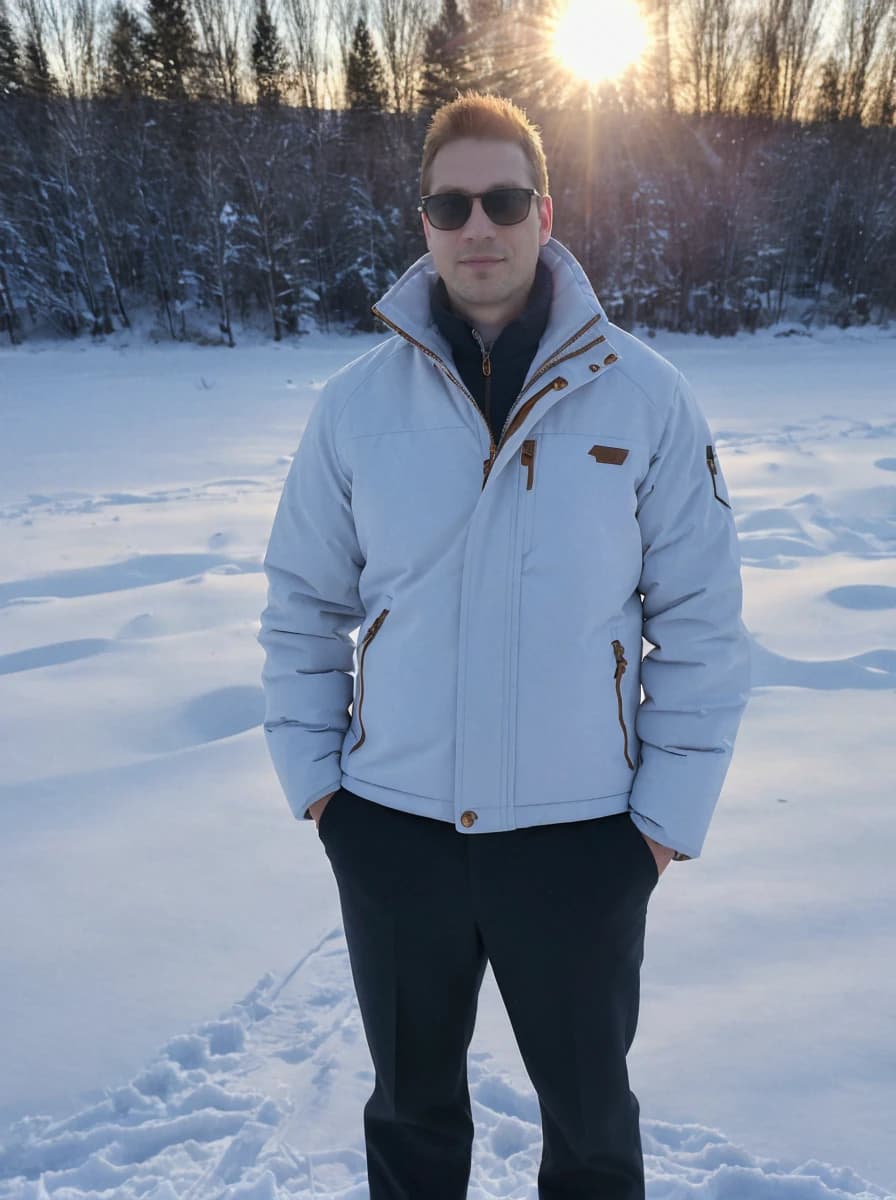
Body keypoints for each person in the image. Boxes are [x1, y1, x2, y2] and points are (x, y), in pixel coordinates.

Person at [258, 91, 751, 1200]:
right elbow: (301, 607)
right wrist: (323, 794)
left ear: (544, 209)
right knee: (412, 1121)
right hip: (392, 834)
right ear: (422, 221)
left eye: (502, 198)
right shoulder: (350, 407)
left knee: (589, 1131)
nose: (476, 224)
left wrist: (660, 827)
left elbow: (702, 626)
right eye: (449, 202)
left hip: (579, 843)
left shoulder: (646, 398)